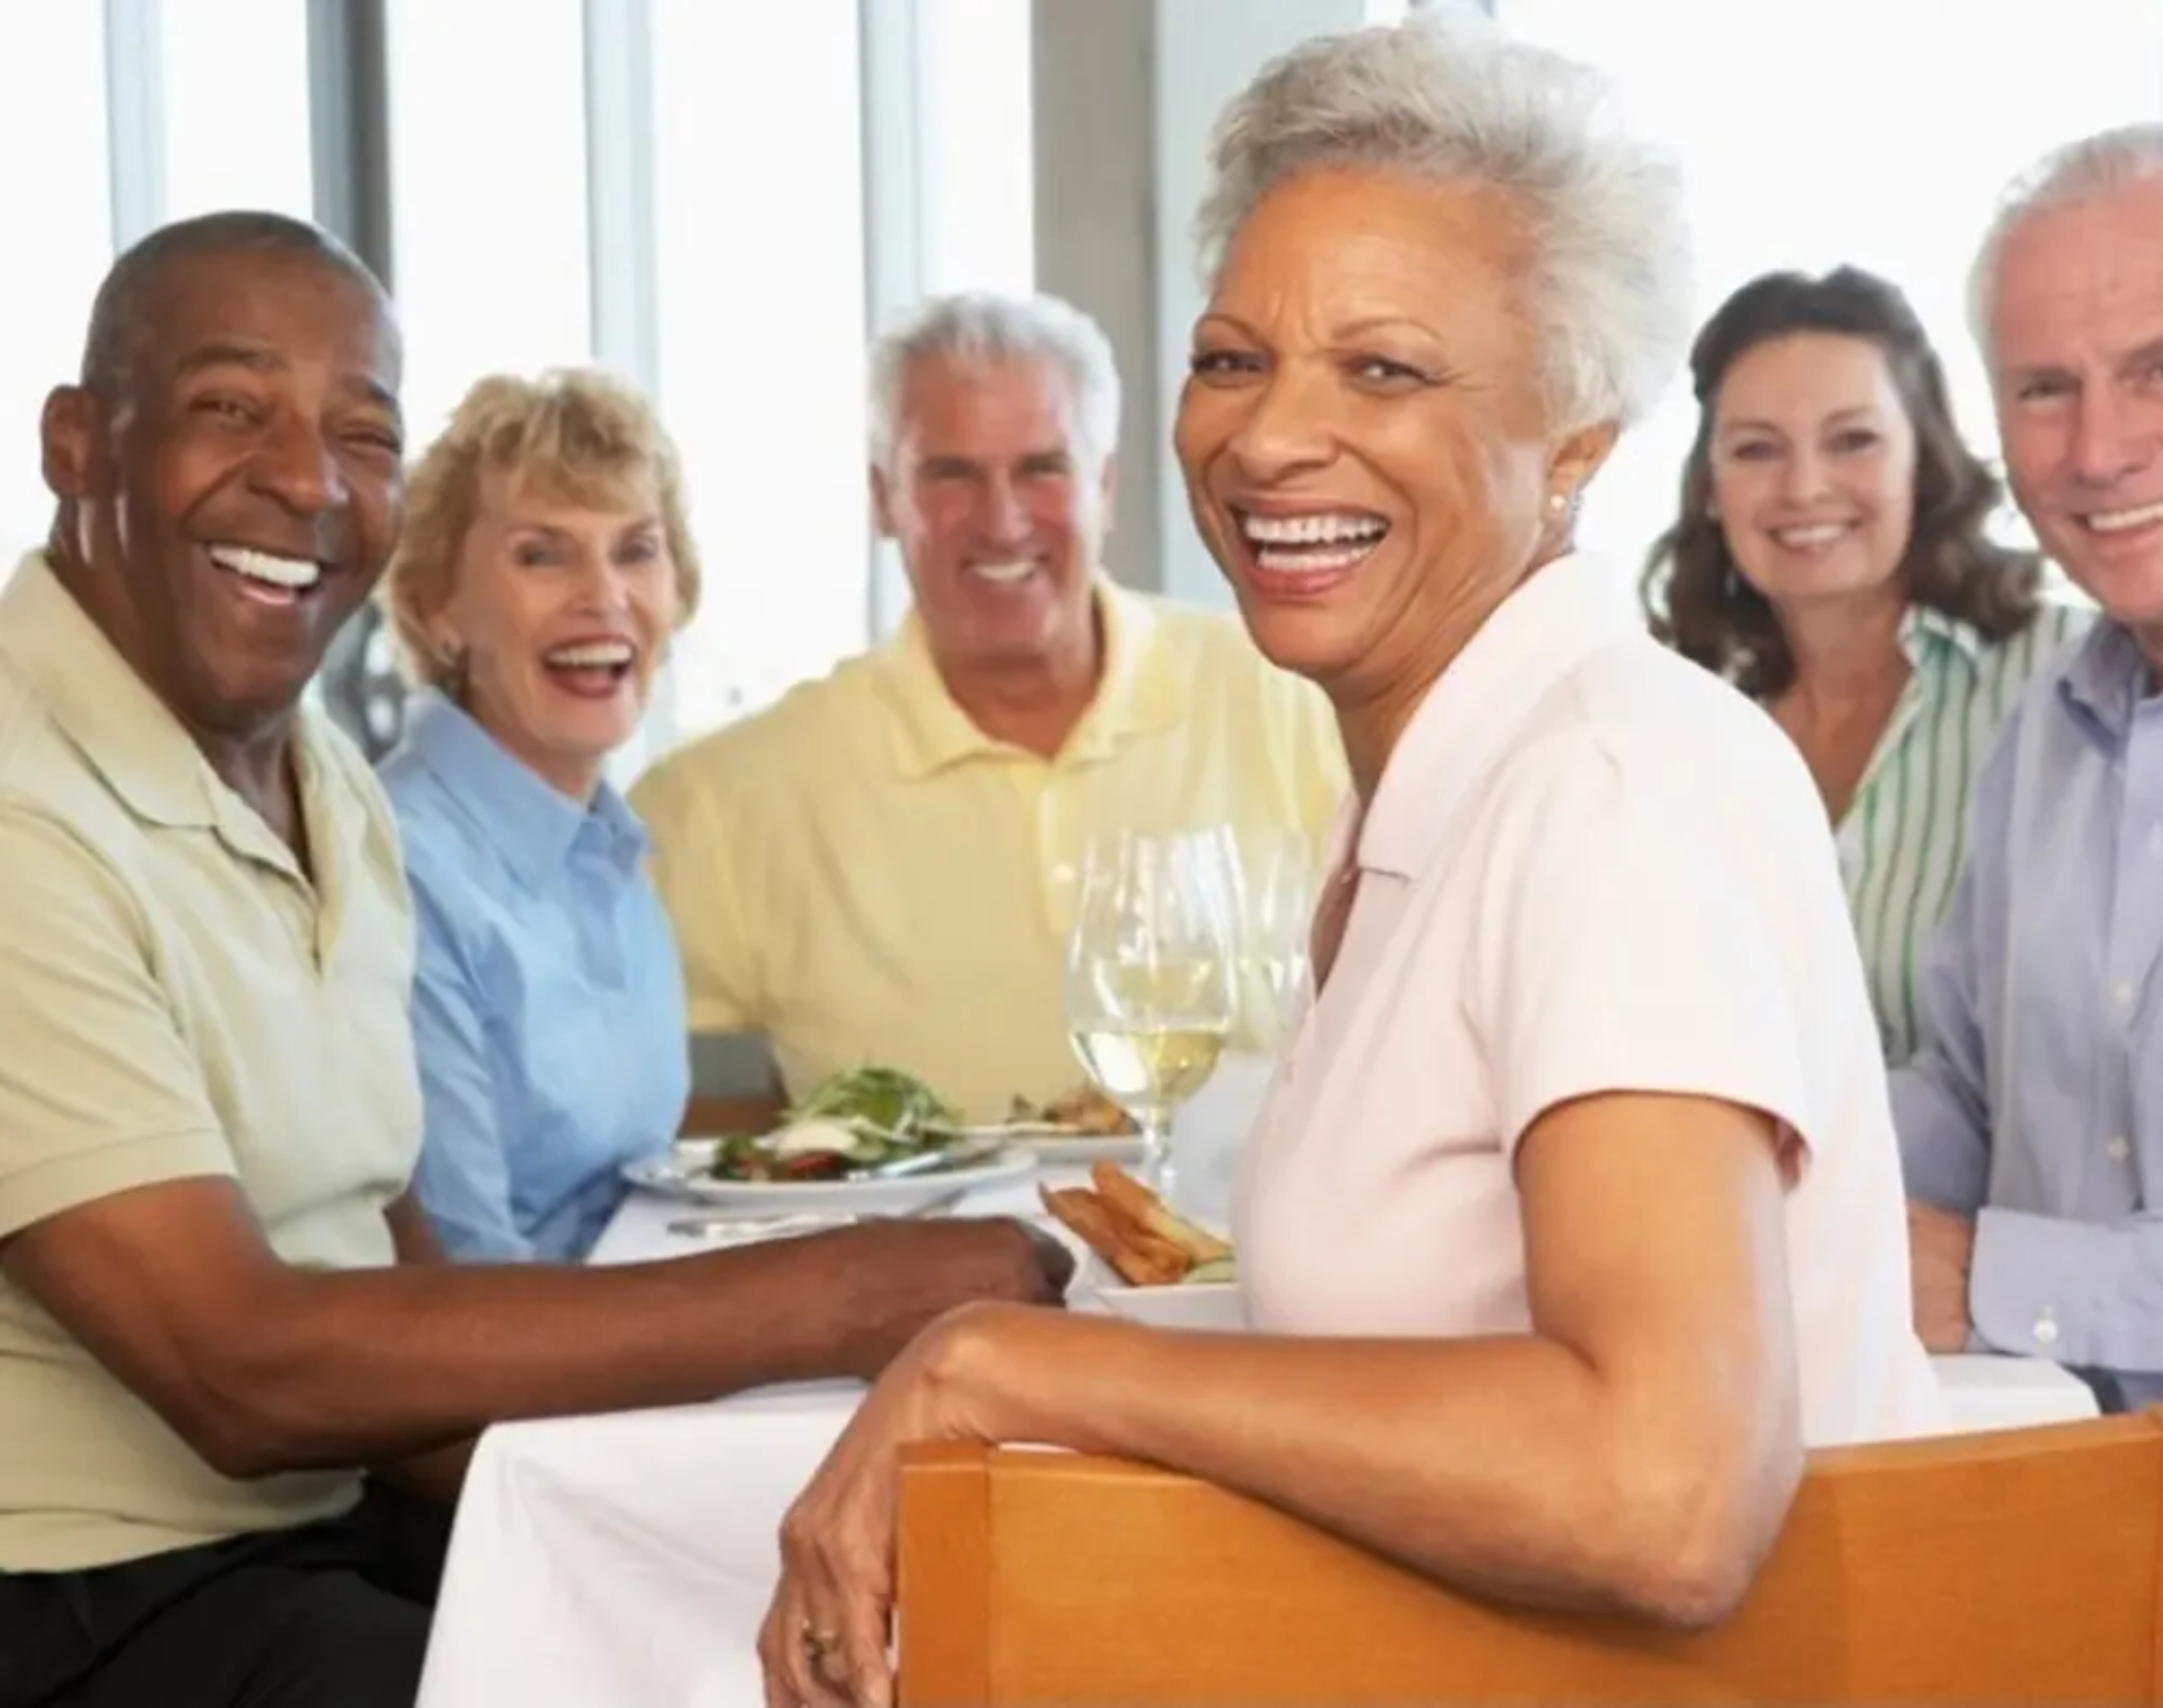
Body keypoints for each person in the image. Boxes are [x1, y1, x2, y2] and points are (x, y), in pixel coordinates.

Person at [758, 18, 1943, 1705]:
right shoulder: (1441, 775)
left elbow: (1662, 1490)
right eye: (1232, 359)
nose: (1262, 441)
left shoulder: (1603, 788)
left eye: (1380, 371)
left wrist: (996, 1361)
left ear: (1582, 441)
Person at [0, 212, 1067, 1708]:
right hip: (90, 1598)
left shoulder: (324, 783)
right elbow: (242, 1367)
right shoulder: (20, 801)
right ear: (75, 443)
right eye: (230, 408)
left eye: (360, 433)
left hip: (329, 1524)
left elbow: (411, 1305)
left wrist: (757, 1461)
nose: (306, 477)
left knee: (875, 1628)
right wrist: (840, 1299)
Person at [1890, 120, 2163, 1691]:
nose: (2097, 450)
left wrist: (1990, 1277)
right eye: (2042, 389)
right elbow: (1959, 1093)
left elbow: (1971, 1251)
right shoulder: (2043, 730)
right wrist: (1759, 1177)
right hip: (2049, 1532)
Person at [629, 290, 1346, 1121]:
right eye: (950, 475)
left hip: (1247, 1249)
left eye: (1042, 468)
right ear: (882, 498)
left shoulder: (1298, 704)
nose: (1002, 522)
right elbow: (631, 1123)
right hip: (903, 1248)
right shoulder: (721, 803)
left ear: (1105, 486)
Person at [1646, 267, 2093, 1063]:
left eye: (1853, 440)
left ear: (1923, 460)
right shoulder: (1678, 727)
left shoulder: (2069, 679)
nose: (1804, 487)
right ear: (1710, 487)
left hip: (1994, 1191)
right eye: (1756, 449)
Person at [378, 370, 696, 1262]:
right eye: (542, 555)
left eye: (637, 550)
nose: (605, 596)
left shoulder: (612, 852)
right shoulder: (405, 870)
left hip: (623, 1356)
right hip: (517, 1390)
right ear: (441, 606)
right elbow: (466, 1279)